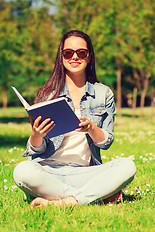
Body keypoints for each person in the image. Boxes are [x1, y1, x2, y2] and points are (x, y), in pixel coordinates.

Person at [13, 30, 136, 208]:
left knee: (127, 166)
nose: (75, 57)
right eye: (68, 53)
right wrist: (36, 135)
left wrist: (92, 128)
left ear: (89, 57)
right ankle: (95, 195)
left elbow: (106, 142)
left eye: (82, 53)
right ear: (61, 57)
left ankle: (63, 201)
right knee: (22, 171)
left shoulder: (103, 94)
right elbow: (37, 151)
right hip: (49, 170)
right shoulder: (48, 95)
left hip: (86, 172)